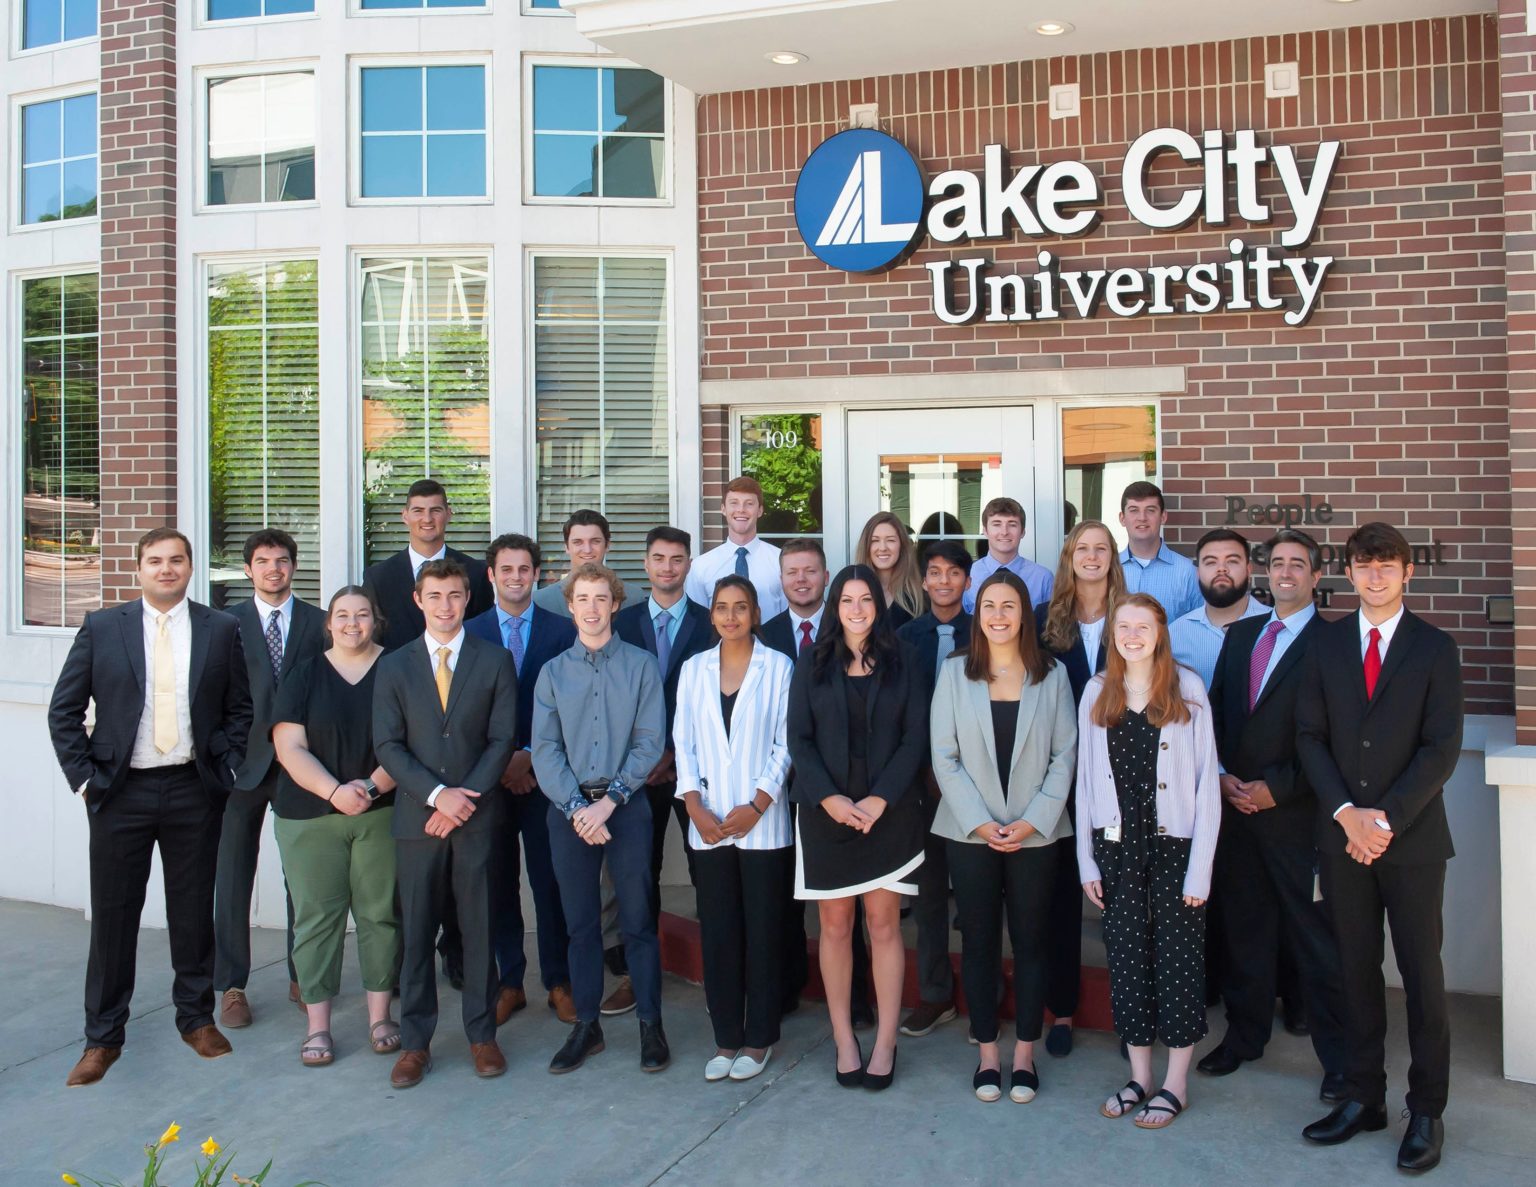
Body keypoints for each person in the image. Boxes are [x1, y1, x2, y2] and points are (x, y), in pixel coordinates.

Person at [48, 528, 253, 1087]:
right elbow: (63, 711)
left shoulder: (221, 628)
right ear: (139, 569)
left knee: (191, 914)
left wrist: (227, 764)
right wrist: (85, 781)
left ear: (190, 568)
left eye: (177, 560)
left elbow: (241, 707)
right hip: (120, 793)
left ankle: (196, 1019)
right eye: (155, 561)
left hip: (193, 788)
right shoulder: (102, 628)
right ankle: (103, 1037)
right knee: (114, 918)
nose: (167, 569)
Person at [1297, 523, 1463, 1173]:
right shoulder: (1327, 645)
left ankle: (1426, 1110)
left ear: (1407, 573)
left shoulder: (1434, 648)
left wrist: (1383, 819)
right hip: (1343, 840)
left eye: (1386, 565)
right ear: (1349, 572)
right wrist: (1347, 816)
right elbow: (1310, 736)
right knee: (1355, 970)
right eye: (1363, 565)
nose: (1375, 575)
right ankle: (1364, 1095)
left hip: (1413, 841)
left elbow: (1442, 747)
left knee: (1422, 976)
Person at [1200, 529, 1347, 1101]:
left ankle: (1340, 1061)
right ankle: (1244, 1037)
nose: (1285, 572)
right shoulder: (1242, 636)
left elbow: (1340, 739)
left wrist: (1276, 789)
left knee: (1315, 943)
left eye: (1298, 565)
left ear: (1315, 577)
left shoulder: (1336, 643)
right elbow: (1212, 714)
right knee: (1245, 932)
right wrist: (1220, 777)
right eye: (1277, 564)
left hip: (1298, 818)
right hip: (1237, 814)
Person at [931, 570, 1077, 1103]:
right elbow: (943, 756)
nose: (998, 615)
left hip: (1035, 835)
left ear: (1024, 614)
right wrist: (980, 821)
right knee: (979, 944)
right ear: (978, 612)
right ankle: (989, 1053)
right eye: (989, 605)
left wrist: (1033, 819)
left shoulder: (1053, 676)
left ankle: (1024, 1055)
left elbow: (1066, 756)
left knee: (1032, 943)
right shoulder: (953, 674)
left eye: (1009, 606)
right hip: (970, 833)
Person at [372, 559, 518, 1089]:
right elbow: (387, 744)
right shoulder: (395, 665)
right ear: (418, 600)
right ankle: (415, 1043)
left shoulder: (494, 659)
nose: (446, 605)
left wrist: (463, 799)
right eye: (435, 596)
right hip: (418, 822)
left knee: (479, 930)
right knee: (416, 933)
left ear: (467, 599)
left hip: (477, 820)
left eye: (455, 596)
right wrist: (437, 797)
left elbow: (502, 739)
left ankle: (482, 1036)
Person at [1076, 593, 1220, 1130]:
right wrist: (1086, 863)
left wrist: (1201, 868)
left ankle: (1175, 1082)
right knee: (1128, 961)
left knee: (1180, 961)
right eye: (1123, 626)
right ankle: (1139, 1074)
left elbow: (1208, 786)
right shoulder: (1097, 691)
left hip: (1176, 848)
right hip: (1115, 849)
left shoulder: (1188, 689)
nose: (1131, 634)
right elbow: (1085, 785)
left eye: (1142, 626)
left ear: (1160, 633)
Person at [788, 564, 929, 1091]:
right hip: (827, 817)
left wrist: (877, 799)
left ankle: (886, 1041)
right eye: (846, 600)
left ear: (878, 604)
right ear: (835, 606)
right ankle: (845, 1038)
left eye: (864, 599)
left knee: (884, 925)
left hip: (889, 815)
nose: (855, 609)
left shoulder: (906, 660)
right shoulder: (811, 662)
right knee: (835, 927)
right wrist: (829, 798)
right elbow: (798, 740)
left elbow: (916, 737)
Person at [532, 563, 670, 1074]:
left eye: (600, 598)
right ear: (570, 607)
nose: (591, 608)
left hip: (625, 808)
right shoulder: (552, 673)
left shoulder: (640, 666)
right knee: (581, 923)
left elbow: (649, 742)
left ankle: (650, 1025)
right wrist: (575, 808)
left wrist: (609, 802)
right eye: (582, 599)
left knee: (637, 920)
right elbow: (545, 750)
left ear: (615, 604)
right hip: (569, 814)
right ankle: (586, 1027)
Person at [271, 586, 401, 1067]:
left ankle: (380, 1017)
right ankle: (318, 1026)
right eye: (342, 615)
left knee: (380, 915)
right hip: (309, 817)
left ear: (376, 620)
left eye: (362, 614)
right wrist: (334, 792)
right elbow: (290, 747)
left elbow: (411, 741)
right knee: (316, 922)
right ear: (329, 623)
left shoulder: (400, 667)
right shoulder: (304, 673)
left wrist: (368, 788)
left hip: (381, 812)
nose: (352, 623)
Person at [673, 575, 795, 1082]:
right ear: (711, 615)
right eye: (721, 607)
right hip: (709, 823)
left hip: (762, 824)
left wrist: (758, 803)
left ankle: (759, 1036)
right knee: (720, 933)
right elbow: (683, 742)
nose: (730, 616)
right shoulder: (693, 669)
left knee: (764, 933)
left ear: (755, 614)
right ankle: (726, 1037)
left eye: (740, 608)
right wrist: (695, 808)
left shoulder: (779, 666)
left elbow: (787, 742)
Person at [464, 534, 579, 1027]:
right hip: (487, 784)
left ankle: (559, 981)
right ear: (491, 576)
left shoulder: (563, 629)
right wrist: (501, 763)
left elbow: (573, 705)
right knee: (496, 883)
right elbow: (463, 712)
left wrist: (529, 757)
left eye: (524, 569)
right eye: (505, 570)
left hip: (544, 779)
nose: (515, 578)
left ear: (538, 575)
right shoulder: (469, 632)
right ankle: (510, 981)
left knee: (549, 881)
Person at [214, 528, 325, 1029]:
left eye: (282, 561)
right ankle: (231, 986)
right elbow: (206, 695)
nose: (273, 569)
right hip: (243, 770)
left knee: (301, 879)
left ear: (294, 567)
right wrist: (224, 757)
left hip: (300, 768)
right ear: (248, 570)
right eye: (263, 562)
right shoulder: (223, 624)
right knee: (233, 876)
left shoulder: (320, 623)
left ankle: (304, 974)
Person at [758, 538, 871, 1023]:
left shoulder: (847, 627)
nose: (801, 579)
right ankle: (785, 987)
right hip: (773, 785)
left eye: (810, 571)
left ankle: (859, 997)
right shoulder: (761, 633)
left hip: (838, 791)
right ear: (781, 579)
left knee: (853, 901)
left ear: (826, 578)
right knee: (784, 896)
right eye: (792, 572)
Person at [1034, 519, 1126, 1057]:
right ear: (1069, 558)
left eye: (1101, 549)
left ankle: (1132, 1012)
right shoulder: (1047, 622)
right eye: (1081, 549)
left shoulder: (1135, 617)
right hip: (1061, 778)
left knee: (1125, 902)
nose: (1091, 557)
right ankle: (1061, 1009)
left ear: (1112, 558)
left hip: (1124, 778)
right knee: (1061, 903)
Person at [615, 526, 718, 923]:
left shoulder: (710, 624)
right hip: (636, 768)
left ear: (689, 565)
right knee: (641, 866)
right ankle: (639, 964)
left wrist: (674, 751)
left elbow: (714, 698)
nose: (667, 567)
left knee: (704, 861)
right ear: (645, 564)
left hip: (692, 763)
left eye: (677, 559)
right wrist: (645, 753)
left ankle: (716, 955)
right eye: (658, 558)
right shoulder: (621, 623)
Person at [894, 541, 973, 1038]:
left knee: (976, 894)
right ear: (923, 581)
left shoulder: (987, 629)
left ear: (968, 581)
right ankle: (935, 994)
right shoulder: (904, 637)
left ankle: (983, 992)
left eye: (953, 574)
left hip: (975, 784)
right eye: (935, 573)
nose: (943, 582)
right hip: (919, 786)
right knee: (926, 897)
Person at [362, 479, 492, 652]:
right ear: (405, 516)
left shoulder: (476, 573)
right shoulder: (378, 578)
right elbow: (372, 642)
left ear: (448, 514)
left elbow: (482, 637)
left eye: (435, 510)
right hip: (399, 676)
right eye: (418, 511)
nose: (427, 519)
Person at [1168, 529, 1269, 690]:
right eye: (1211, 562)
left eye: (1232, 561)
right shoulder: (1174, 636)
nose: (1222, 569)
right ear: (1198, 572)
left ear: (1248, 570)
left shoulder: (1275, 626)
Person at [687, 476, 789, 619]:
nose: (741, 510)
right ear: (723, 509)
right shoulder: (701, 567)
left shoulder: (780, 562)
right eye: (734, 503)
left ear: (760, 511)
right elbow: (697, 622)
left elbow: (788, 618)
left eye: (749, 504)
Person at [532, 509, 645, 619]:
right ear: (566, 546)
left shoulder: (634, 597)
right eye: (578, 542)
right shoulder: (541, 601)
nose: (587, 550)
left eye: (595, 541)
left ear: (607, 545)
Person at [1117, 482, 1201, 620]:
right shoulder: (1109, 569)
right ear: (1122, 518)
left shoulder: (1187, 572)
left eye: (1150, 510)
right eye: (1134, 510)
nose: (1142, 517)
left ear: (1163, 517)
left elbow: (1200, 626)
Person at [962, 497, 1054, 613]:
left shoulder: (1043, 578)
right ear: (985, 531)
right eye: (996, 524)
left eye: (1012, 524)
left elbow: (1050, 625)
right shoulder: (968, 574)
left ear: (1022, 532)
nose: (1004, 532)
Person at [854, 511, 924, 628]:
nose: (883, 548)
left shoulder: (916, 596)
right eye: (875, 540)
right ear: (866, 546)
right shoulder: (851, 593)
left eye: (890, 540)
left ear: (901, 546)